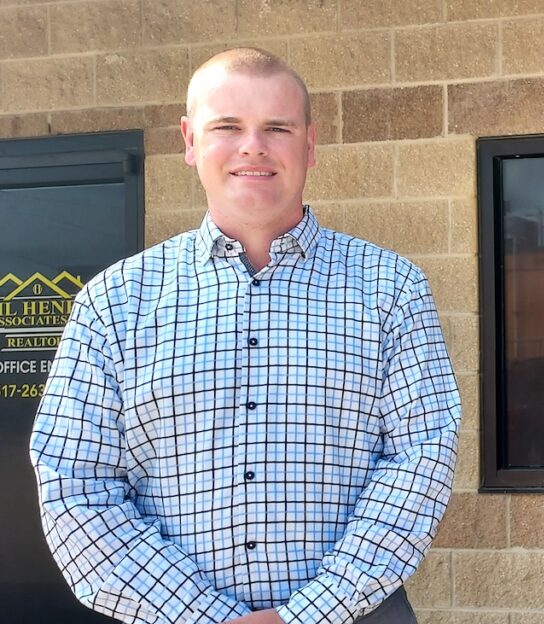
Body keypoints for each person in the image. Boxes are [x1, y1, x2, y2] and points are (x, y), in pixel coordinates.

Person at [29, 47, 461, 624]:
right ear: (189, 141)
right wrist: (203, 616)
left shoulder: (391, 289)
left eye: (276, 128)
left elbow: (420, 461)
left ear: (309, 143)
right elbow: (74, 481)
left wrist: (308, 613)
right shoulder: (114, 302)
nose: (253, 146)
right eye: (227, 126)